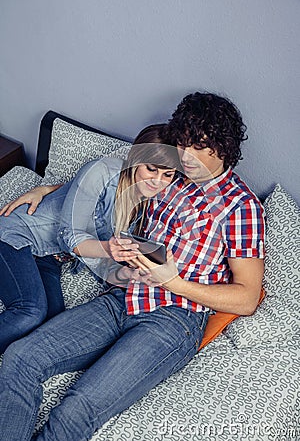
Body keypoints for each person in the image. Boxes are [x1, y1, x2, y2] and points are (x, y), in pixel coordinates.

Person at [0, 92, 265, 441]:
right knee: (21, 358)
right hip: (121, 296)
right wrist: (49, 188)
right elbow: (113, 179)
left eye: (197, 146)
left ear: (223, 149)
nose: (184, 156)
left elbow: (247, 298)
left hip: (174, 319)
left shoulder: (240, 208)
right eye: (182, 143)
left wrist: (174, 283)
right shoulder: (173, 174)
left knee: (76, 411)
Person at [0, 124, 180, 354]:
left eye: (167, 175)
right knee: (30, 311)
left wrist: (126, 275)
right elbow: (70, 236)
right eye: (151, 169)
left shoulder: (144, 207)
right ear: (136, 159)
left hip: (49, 257)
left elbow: (100, 255)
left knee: (48, 325)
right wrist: (108, 248)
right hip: (18, 236)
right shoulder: (104, 171)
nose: (157, 181)